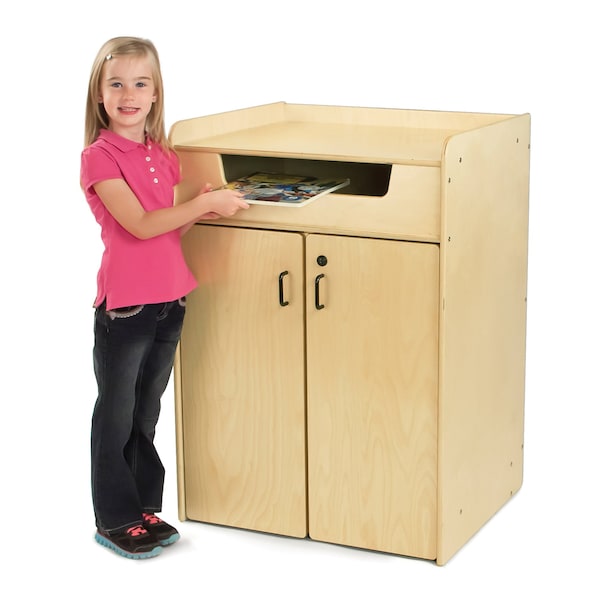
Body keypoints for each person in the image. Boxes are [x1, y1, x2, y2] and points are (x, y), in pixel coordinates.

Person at [80, 36, 249, 559]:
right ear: (100, 94)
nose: (129, 94)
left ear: (156, 93)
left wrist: (201, 204)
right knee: (116, 413)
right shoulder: (99, 158)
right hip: (127, 306)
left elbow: (168, 222)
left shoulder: (162, 154)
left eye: (140, 83)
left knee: (146, 410)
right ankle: (115, 519)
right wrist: (200, 205)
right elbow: (141, 223)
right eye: (116, 84)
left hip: (171, 299)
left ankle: (143, 508)